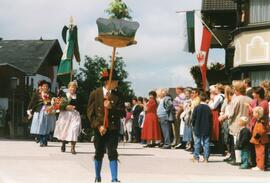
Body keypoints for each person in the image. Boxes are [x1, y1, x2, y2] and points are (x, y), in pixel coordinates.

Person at [87, 68, 125, 183]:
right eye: (115, 81)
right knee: (98, 152)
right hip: (100, 129)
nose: (117, 83)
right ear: (108, 81)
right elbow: (90, 113)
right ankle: (97, 176)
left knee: (113, 152)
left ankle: (114, 179)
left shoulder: (118, 95)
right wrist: (99, 126)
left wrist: (111, 108)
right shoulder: (95, 93)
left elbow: (122, 112)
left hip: (113, 128)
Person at [227, 81, 252, 165]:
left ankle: (238, 160)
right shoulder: (250, 99)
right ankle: (247, 160)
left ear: (237, 90)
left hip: (237, 124)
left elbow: (231, 114)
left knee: (237, 142)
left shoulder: (236, 99)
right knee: (247, 143)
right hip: (248, 124)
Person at [53, 81, 81, 154]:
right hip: (65, 115)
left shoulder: (78, 96)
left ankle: (73, 148)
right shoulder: (64, 95)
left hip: (75, 115)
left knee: (74, 130)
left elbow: (82, 105)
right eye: (71, 87)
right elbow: (57, 105)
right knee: (64, 131)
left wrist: (76, 108)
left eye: (74, 87)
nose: (73, 89)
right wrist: (65, 107)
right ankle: (63, 144)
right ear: (68, 88)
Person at [27, 80, 56, 147]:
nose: (45, 87)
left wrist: (53, 107)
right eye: (44, 86)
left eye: (46, 86)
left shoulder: (52, 95)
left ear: (48, 87)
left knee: (47, 127)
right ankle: (42, 140)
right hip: (39, 112)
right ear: (42, 87)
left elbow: (55, 103)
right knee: (40, 126)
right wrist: (29, 110)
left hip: (48, 112)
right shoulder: (37, 94)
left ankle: (45, 139)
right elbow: (32, 102)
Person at [191, 93, 212, 162]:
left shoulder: (197, 107)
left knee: (197, 143)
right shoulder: (208, 108)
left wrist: (193, 125)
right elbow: (210, 119)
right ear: (206, 99)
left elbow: (193, 118)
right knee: (206, 143)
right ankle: (206, 158)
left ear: (199, 99)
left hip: (197, 127)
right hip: (206, 127)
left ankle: (196, 157)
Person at [250, 106, 269, 171]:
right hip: (258, 141)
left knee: (260, 154)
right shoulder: (259, 120)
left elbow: (261, 131)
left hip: (260, 141)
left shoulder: (261, 121)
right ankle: (258, 165)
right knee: (258, 153)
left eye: (254, 113)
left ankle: (261, 166)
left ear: (257, 114)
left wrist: (255, 138)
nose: (253, 114)